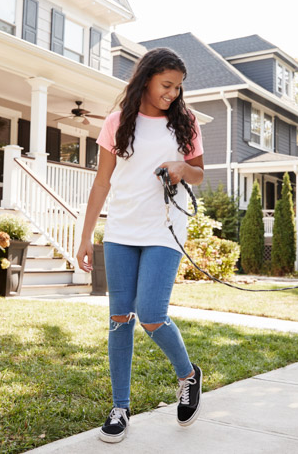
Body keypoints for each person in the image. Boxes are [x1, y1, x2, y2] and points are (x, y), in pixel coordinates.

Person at [76, 48, 204, 443]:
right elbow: (102, 181)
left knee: (150, 314)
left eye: (177, 87)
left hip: (164, 229)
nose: (172, 93)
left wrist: (183, 169)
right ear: (146, 78)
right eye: (166, 85)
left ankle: (188, 374)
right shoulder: (118, 122)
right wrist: (85, 236)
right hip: (122, 230)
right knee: (119, 319)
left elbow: (199, 175)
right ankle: (119, 408)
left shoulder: (185, 123)